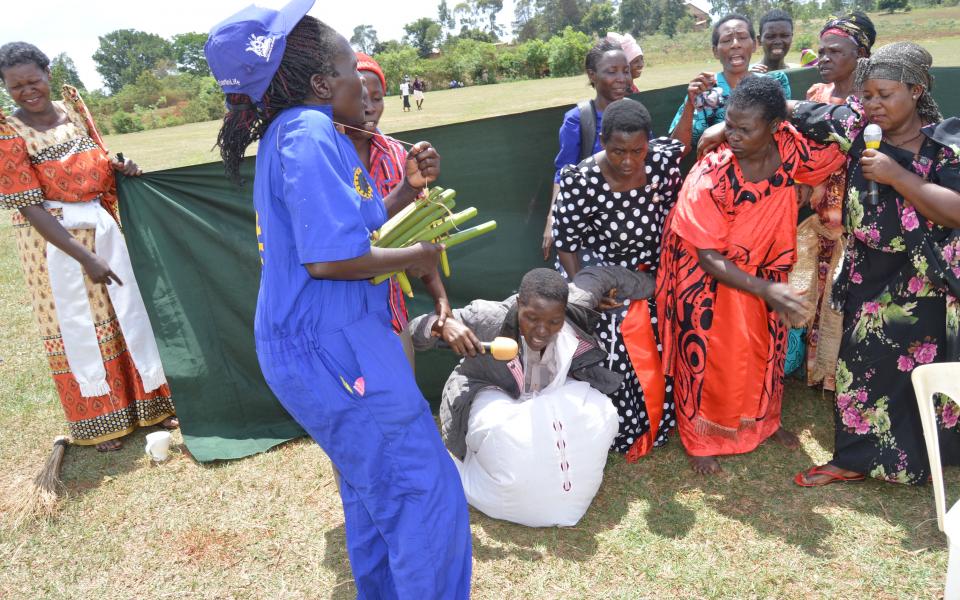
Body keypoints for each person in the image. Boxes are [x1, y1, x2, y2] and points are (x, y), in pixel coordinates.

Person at [204, 2, 471, 596]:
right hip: (333, 347)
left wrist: (405, 189)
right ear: (322, 82)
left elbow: (359, 226)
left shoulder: (298, 133)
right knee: (421, 492)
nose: (362, 82)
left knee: (376, 489)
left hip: (337, 338)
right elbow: (328, 260)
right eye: (352, 68)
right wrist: (419, 258)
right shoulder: (308, 131)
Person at [788, 42, 960, 486]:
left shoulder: (946, 145)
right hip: (868, 270)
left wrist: (896, 175)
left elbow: (956, 210)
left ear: (917, 90)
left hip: (924, 279)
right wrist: (753, 105)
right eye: (867, 95)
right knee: (860, 366)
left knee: (920, 373)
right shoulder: (860, 130)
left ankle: (925, 460)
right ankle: (854, 459)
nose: (874, 104)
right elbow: (806, 115)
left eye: (886, 94)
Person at [657, 77, 845, 475]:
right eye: (730, 125)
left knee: (765, 351)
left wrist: (791, 108)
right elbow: (707, 257)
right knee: (710, 357)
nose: (734, 136)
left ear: (776, 125)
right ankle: (700, 437)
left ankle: (763, 423)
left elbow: (843, 140)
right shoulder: (711, 173)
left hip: (766, 268)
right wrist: (766, 288)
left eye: (745, 128)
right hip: (709, 277)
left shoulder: (790, 146)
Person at [0, 42, 177, 452]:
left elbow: (97, 159)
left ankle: (153, 405)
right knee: (82, 326)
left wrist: (120, 166)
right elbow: (28, 205)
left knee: (127, 311)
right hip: (53, 243)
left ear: (47, 71)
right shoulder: (8, 131)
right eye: (16, 86)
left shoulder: (73, 109)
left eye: (33, 80)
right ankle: (101, 422)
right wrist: (85, 257)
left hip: (101, 227)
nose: (28, 91)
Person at [409, 266, 653, 526]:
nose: (541, 331)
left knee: (599, 411)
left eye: (553, 321)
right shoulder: (487, 318)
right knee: (508, 440)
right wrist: (441, 325)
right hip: (491, 392)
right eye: (531, 318)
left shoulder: (576, 303)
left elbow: (602, 276)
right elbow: (412, 331)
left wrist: (662, 286)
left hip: (545, 395)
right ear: (518, 304)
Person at [553, 98, 684, 459]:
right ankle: (616, 429)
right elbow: (565, 244)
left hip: (652, 273)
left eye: (637, 150)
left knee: (670, 325)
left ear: (649, 144)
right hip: (600, 277)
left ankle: (663, 419)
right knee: (614, 330)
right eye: (617, 151)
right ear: (602, 143)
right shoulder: (581, 180)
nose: (628, 161)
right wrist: (587, 294)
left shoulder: (660, 163)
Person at [347, 52, 450, 363]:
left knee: (404, 400)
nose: (369, 106)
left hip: (392, 312)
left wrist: (440, 297)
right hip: (344, 318)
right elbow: (349, 237)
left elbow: (418, 233)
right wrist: (405, 190)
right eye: (359, 97)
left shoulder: (396, 155)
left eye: (377, 98)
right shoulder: (324, 160)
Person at [799, 12, 877, 391]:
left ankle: (844, 378)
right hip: (819, 215)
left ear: (861, 54)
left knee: (846, 301)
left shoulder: (873, 98)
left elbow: (843, 128)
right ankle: (818, 374)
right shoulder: (816, 94)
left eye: (835, 51)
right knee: (819, 296)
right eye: (821, 51)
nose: (824, 58)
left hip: (856, 221)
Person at [542, 38, 630, 259]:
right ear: (592, 75)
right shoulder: (578, 119)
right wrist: (552, 218)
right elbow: (564, 172)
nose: (621, 79)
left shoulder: (635, 113)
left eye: (625, 71)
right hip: (591, 228)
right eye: (612, 71)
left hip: (631, 222)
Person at [669, 14, 791, 153]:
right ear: (715, 51)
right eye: (727, 40)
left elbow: (782, 128)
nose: (735, 44)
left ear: (754, 45)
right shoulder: (704, 91)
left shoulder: (774, 83)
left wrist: (724, 129)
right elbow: (678, 151)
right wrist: (690, 105)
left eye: (743, 38)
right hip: (715, 171)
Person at [751, 9, 796, 73]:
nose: (778, 42)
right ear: (759, 40)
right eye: (770, 36)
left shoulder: (798, 72)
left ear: (791, 38)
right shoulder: (747, 75)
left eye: (785, 35)